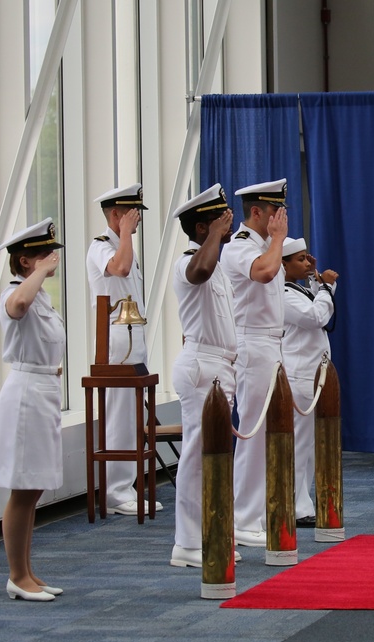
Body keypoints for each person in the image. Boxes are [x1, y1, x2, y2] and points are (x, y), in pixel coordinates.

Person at [0, 218, 65, 601]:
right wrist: (39, 274)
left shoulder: (42, 297)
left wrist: (41, 275)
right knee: (22, 488)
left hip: (44, 389)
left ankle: (28, 572)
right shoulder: (15, 292)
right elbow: (18, 306)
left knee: (32, 488)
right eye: (41, 255)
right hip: (26, 393)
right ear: (23, 261)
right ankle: (17, 575)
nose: (51, 259)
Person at [169, 184, 242, 568]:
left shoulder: (216, 265)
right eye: (220, 219)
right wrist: (214, 235)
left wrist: (216, 237)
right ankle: (186, 542)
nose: (229, 223)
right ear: (202, 228)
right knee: (197, 456)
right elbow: (199, 271)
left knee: (216, 456)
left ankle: (213, 533)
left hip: (221, 366)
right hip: (201, 366)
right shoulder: (188, 262)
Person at [220, 178, 289, 547]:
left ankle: (259, 511)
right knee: (253, 431)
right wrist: (278, 240)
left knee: (271, 432)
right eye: (275, 211)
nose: (282, 217)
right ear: (257, 212)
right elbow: (262, 273)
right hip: (252, 344)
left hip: (273, 344)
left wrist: (274, 241)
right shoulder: (240, 247)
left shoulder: (265, 246)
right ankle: (244, 519)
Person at [86, 183, 162, 515]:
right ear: (116, 215)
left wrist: (126, 235)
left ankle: (128, 485)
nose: (137, 221)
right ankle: (116, 492)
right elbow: (120, 269)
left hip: (134, 339)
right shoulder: (101, 247)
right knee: (118, 415)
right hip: (116, 343)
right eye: (132, 215)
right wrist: (126, 234)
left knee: (133, 417)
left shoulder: (121, 245)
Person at [281, 237, 338, 527]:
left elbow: (318, 308)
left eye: (307, 258)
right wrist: (326, 286)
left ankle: (302, 499)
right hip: (299, 373)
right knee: (299, 443)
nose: (307, 263)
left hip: (311, 373)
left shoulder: (297, 289)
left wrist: (318, 283)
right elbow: (316, 316)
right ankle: (296, 503)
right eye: (300, 259)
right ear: (283, 264)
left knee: (309, 443)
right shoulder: (282, 293)